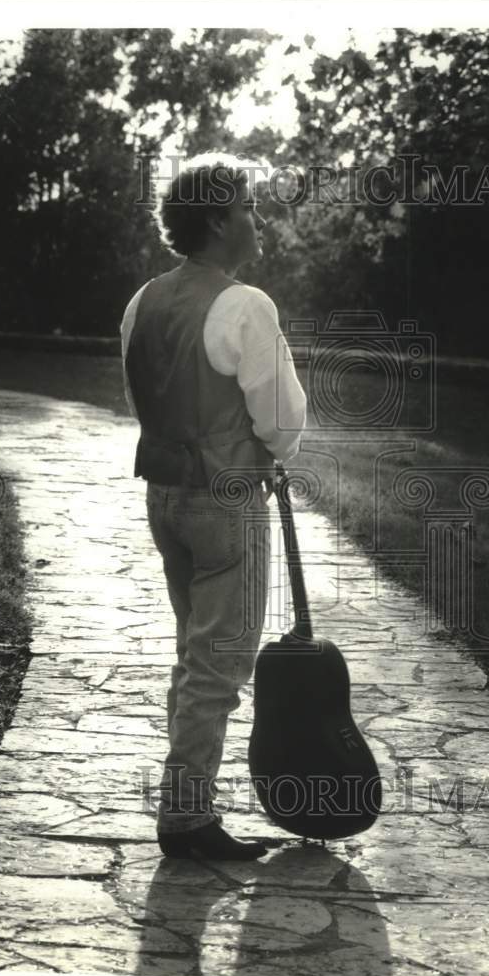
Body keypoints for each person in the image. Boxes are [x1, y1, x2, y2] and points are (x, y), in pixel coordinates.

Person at [119, 152, 307, 860]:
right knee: (218, 663)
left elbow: (141, 397)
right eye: (248, 207)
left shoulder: (143, 300)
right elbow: (282, 422)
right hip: (225, 503)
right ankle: (187, 817)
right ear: (219, 219)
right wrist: (268, 451)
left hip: (164, 498)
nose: (256, 220)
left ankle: (183, 803)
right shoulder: (245, 305)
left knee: (194, 652)